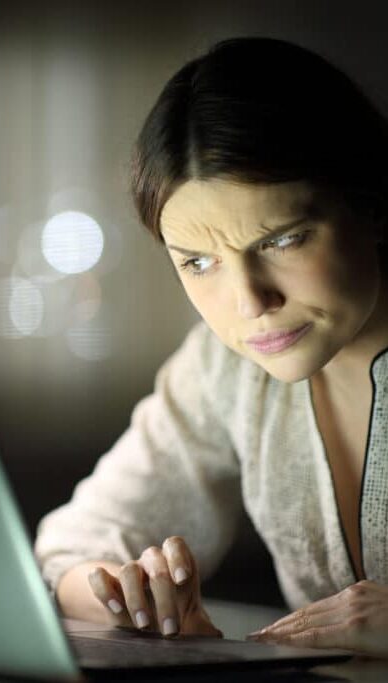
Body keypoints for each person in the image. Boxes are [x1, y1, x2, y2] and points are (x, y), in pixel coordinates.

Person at [34, 36, 388, 658]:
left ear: (373, 202)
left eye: (282, 240)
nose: (249, 301)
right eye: (198, 263)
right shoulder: (226, 365)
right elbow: (74, 544)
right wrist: (125, 597)